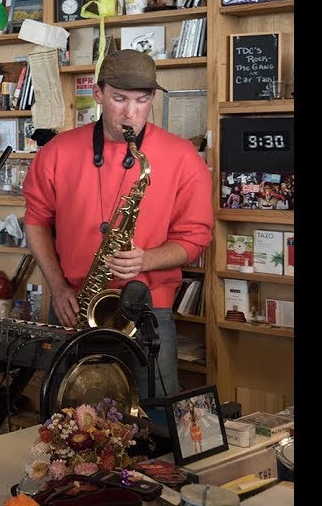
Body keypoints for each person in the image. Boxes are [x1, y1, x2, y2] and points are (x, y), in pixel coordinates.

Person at [22, 49, 213, 416]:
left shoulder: (183, 155)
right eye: (119, 99)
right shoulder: (57, 151)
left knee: (157, 422)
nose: (130, 113)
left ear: (152, 99)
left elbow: (195, 238)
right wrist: (58, 286)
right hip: (74, 304)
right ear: (98, 93)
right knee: (65, 421)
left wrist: (148, 258)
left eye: (142, 101)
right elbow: (35, 220)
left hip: (148, 310)